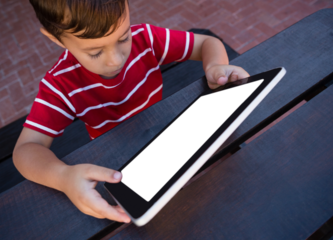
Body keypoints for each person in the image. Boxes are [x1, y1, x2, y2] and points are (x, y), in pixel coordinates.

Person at [13, 0, 250, 224]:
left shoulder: (144, 38)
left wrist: (215, 66)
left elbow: (207, 43)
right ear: (56, 38)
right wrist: (63, 177)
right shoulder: (60, 85)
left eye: (123, 37)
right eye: (95, 52)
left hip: (168, 139)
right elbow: (25, 150)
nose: (116, 60)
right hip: (121, 169)